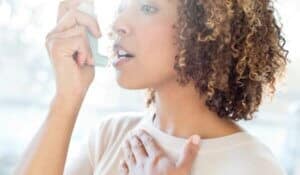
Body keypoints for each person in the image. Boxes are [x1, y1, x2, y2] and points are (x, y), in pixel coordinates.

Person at [14, 0, 289, 174]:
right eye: (121, 9)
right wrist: (67, 97)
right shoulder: (111, 136)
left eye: (147, 7)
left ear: (205, 28)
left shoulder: (254, 167)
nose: (118, 25)